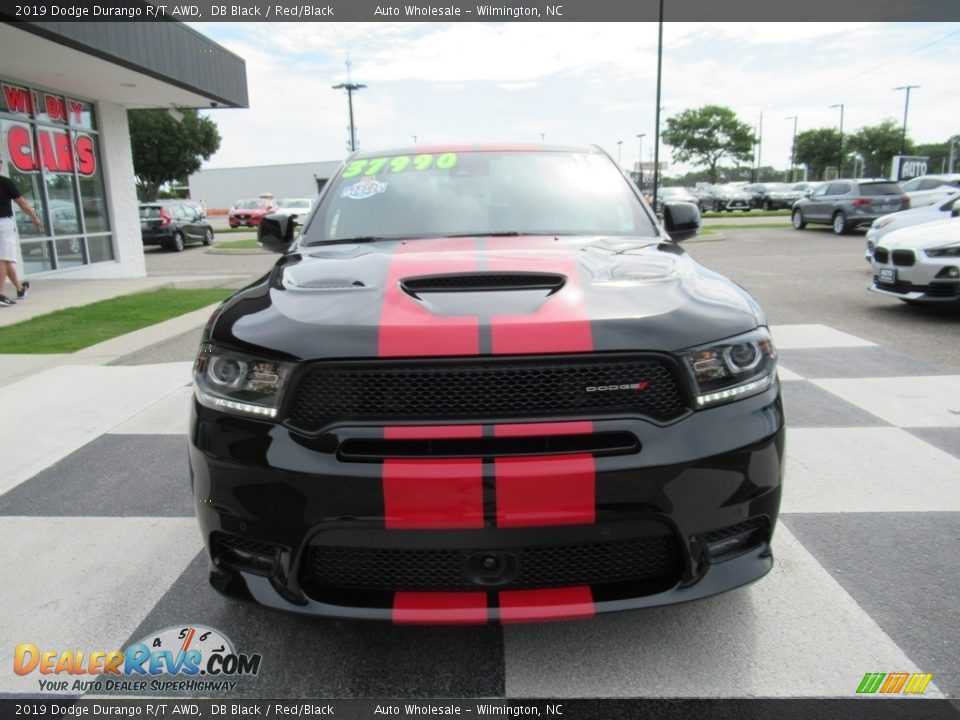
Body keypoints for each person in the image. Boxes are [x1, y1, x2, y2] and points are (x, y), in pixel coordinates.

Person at [0, 172, 42, 307]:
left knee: (6, 260)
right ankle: (0, 293)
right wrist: (34, 217)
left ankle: (19, 288)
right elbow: (22, 203)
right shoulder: (5, 182)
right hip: (4, 223)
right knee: (3, 258)